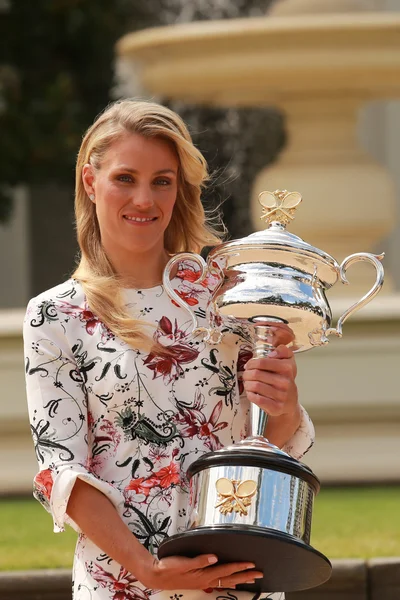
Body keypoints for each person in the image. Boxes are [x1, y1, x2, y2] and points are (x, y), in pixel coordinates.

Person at [23, 99, 315, 600]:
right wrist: (148, 569)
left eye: (162, 180)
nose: (144, 198)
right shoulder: (54, 316)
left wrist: (284, 403)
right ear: (91, 183)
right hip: (121, 584)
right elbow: (62, 469)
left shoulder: (230, 298)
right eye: (125, 178)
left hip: (237, 578)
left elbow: (269, 438)